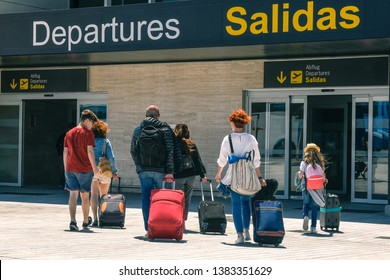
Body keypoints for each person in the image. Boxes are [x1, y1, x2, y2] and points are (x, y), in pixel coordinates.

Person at [215, 109, 267, 244]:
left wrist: (219, 173)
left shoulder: (228, 139)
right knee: (246, 203)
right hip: (248, 176)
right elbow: (256, 160)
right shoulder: (251, 139)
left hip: (234, 177)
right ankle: (246, 230)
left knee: (236, 204)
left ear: (232, 123)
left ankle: (239, 235)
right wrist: (260, 178)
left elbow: (222, 159)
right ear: (244, 123)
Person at [130, 105, 179, 234]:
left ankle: (149, 229)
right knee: (162, 200)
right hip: (161, 171)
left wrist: (139, 167)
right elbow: (170, 150)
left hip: (144, 171)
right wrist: (170, 170)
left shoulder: (138, 130)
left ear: (146, 116)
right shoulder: (165, 129)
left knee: (146, 198)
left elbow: (133, 151)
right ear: (158, 116)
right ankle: (161, 227)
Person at [63, 109, 99, 231]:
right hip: (85, 169)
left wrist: (65, 168)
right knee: (85, 195)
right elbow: (90, 151)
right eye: (92, 123)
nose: (92, 126)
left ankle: (72, 221)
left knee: (72, 195)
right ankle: (85, 221)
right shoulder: (88, 134)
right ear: (87, 120)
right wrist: (95, 170)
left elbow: (65, 152)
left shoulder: (69, 133)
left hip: (70, 168)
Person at [173, 122, 207, 221]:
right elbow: (197, 160)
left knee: (177, 199)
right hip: (191, 175)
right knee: (187, 199)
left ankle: (177, 218)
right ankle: (183, 220)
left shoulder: (174, 144)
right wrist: (202, 175)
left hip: (179, 175)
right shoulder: (191, 143)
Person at [90, 120, 119, 227]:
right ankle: (103, 216)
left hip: (93, 170)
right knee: (104, 196)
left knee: (93, 194)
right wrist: (115, 172)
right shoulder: (105, 141)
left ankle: (95, 219)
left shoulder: (89, 141)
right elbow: (112, 158)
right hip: (105, 171)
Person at [298, 143, 328, 234]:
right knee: (314, 206)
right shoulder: (320, 162)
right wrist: (325, 180)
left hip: (307, 186)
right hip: (317, 187)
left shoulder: (304, 162)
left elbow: (300, 175)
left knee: (306, 203)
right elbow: (323, 176)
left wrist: (299, 177)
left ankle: (305, 216)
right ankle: (313, 227)